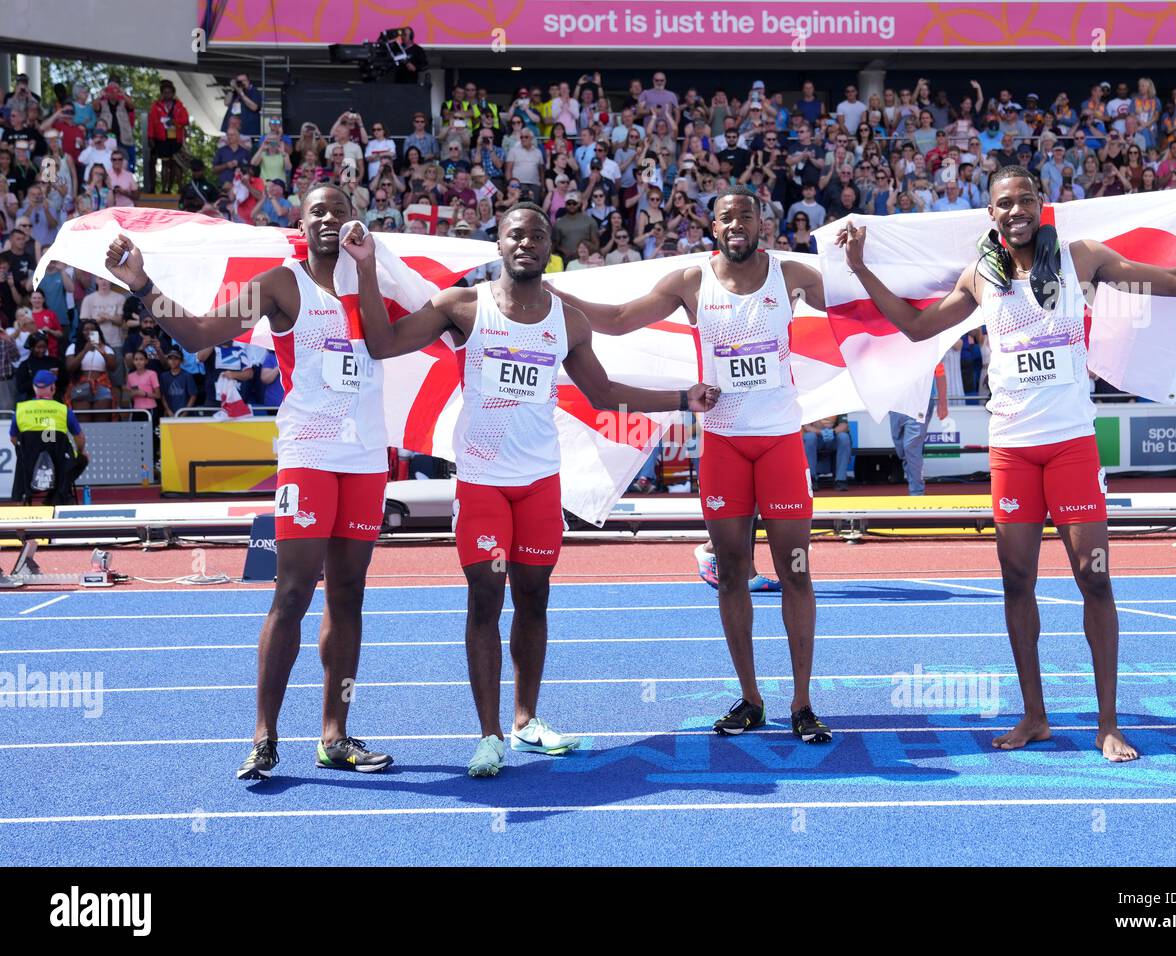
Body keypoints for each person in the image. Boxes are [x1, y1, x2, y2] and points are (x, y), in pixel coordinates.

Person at [839, 168, 1176, 762]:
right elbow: (914, 328)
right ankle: (1035, 715)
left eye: (1024, 200)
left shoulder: (1079, 257)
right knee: (1017, 581)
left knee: (1094, 578)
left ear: (1042, 204)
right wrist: (860, 268)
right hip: (1013, 449)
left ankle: (1108, 723)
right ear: (991, 213)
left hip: (1070, 444)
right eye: (1003, 203)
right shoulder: (979, 275)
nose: (1015, 211)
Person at [344, 203, 716, 776]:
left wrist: (680, 399)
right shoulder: (461, 305)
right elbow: (383, 343)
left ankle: (526, 722)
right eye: (516, 234)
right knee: (486, 601)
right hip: (483, 482)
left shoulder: (566, 320)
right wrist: (367, 268)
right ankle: (489, 733)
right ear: (499, 244)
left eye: (537, 237)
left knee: (535, 600)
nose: (526, 244)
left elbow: (601, 392)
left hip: (541, 482)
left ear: (549, 250)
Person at [105, 183, 397, 781]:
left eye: (339, 211)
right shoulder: (281, 284)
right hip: (309, 457)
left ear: (352, 224)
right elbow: (203, 334)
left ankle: (335, 735)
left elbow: (394, 346)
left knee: (349, 597)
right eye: (317, 210)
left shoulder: (374, 282)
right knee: (291, 594)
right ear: (301, 221)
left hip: (366, 459)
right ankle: (264, 735)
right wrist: (141, 284)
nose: (328, 219)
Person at [553, 186, 836, 745]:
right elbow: (616, 320)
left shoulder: (795, 275)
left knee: (796, 571)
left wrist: (856, 258)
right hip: (726, 447)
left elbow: (858, 310)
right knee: (731, 574)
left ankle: (802, 703)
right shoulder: (691, 281)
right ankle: (752, 699)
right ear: (713, 227)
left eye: (746, 216)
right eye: (726, 218)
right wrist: (548, 289)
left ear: (762, 224)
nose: (736, 225)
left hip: (779, 443)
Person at [9, 369, 89, 504]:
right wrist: (81, 452)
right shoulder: (63, 410)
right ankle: (57, 495)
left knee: (22, 458)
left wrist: (29, 451)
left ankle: (23, 500)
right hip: (59, 464)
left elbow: (13, 439)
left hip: (29, 464)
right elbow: (80, 438)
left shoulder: (20, 410)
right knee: (82, 459)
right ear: (53, 388)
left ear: (34, 388)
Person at [889, 364, 948, 495]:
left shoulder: (929, 343)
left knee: (911, 448)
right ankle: (915, 481)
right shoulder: (889, 344)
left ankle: (917, 492)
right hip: (895, 404)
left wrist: (942, 402)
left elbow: (940, 373)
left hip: (920, 402)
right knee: (903, 450)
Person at [803, 415, 853, 491]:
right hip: (817, 437)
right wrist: (820, 432)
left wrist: (833, 432)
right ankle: (811, 479)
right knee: (809, 437)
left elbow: (844, 425)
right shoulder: (809, 403)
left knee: (844, 437)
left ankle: (840, 480)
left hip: (832, 437)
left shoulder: (839, 403)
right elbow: (806, 426)